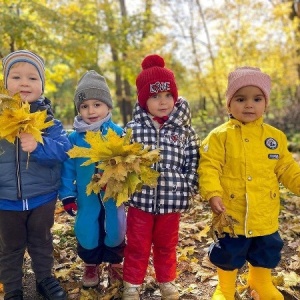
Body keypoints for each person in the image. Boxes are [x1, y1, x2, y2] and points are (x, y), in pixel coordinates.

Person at [198, 66, 300, 299]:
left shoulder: (274, 137)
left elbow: (286, 168)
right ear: (229, 104)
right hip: (231, 212)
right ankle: (224, 288)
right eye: (241, 99)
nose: (249, 105)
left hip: (264, 211)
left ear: (265, 103)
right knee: (229, 251)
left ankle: (260, 280)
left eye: (257, 99)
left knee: (266, 248)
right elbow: (209, 166)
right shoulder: (219, 136)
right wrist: (213, 193)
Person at [122, 54, 200, 300]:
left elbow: (192, 161)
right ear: (144, 100)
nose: (163, 101)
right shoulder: (133, 130)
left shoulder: (184, 130)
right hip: (140, 201)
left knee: (167, 245)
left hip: (171, 201)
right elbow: (122, 161)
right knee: (137, 245)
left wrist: (187, 187)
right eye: (155, 96)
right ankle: (132, 284)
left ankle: (167, 281)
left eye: (167, 95)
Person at [0, 50, 71, 300]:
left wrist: (39, 146)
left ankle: (44, 278)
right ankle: (13, 288)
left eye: (32, 78)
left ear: (41, 85)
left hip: (42, 197)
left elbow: (64, 149)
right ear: (6, 83)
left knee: (41, 242)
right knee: (10, 247)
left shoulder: (48, 120)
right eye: (16, 77)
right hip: (6, 199)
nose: (24, 83)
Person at [58, 70, 126, 289]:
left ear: (108, 106)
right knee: (87, 231)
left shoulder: (118, 133)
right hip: (86, 199)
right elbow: (67, 169)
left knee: (115, 230)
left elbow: (129, 165)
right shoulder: (74, 138)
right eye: (85, 106)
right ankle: (91, 264)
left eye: (97, 104)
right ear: (79, 110)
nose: (91, 111)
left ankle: (114, 264)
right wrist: (67, 194)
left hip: (112, 197)